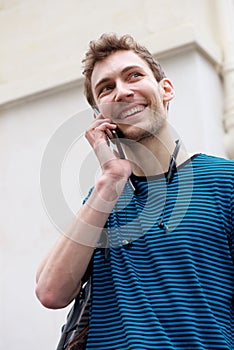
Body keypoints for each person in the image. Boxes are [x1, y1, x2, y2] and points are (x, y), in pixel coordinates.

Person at [36, 33, 234, 349]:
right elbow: (50, 292)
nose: (123, 91)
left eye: (134, 76)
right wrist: (109, 182)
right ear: (101, 117)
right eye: (106, 88)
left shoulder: (226, 181)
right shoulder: (103, 199)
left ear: (165, 90)